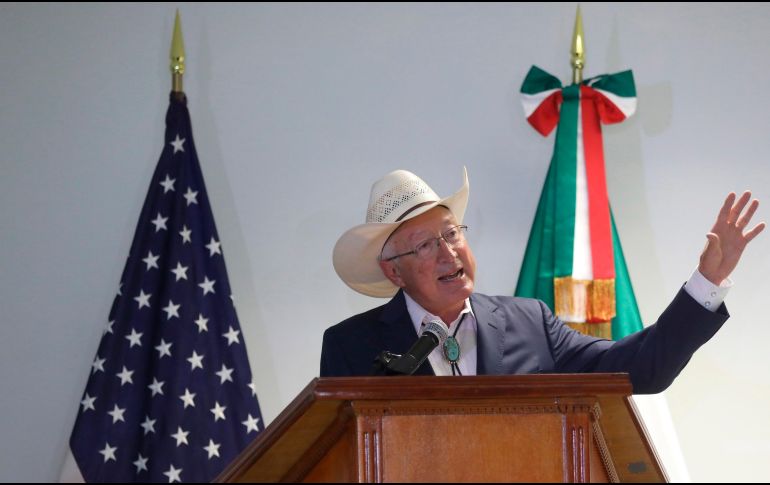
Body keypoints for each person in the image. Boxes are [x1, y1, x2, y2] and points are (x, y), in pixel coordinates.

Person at [321, 168, 764, 393]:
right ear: (392, 270)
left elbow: (643, 369)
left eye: (452, 233)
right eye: (424, 245)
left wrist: (708, 279)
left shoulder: (529, 320)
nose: (448, 252)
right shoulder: (351, 346)